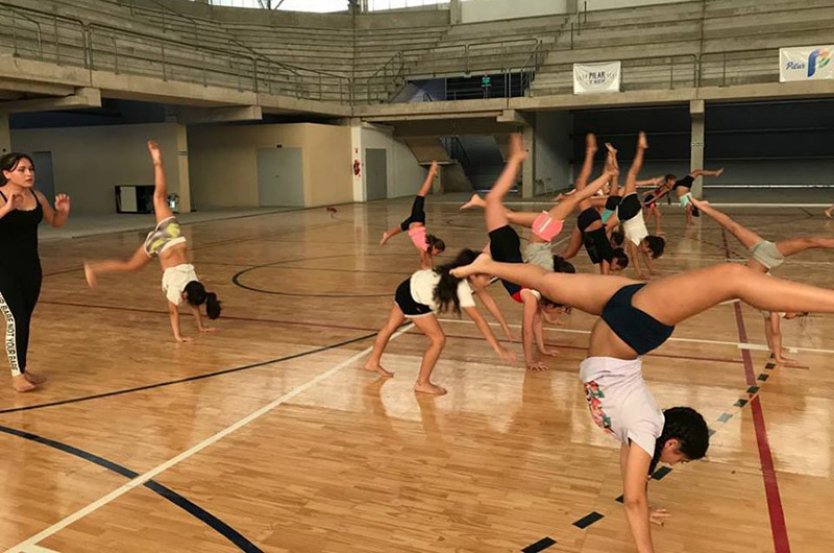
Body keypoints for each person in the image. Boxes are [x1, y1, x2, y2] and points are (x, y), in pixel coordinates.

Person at [451, 253, 834, 553]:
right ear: (671, 443)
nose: (676, 465)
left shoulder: (640, 432)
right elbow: (632, 497)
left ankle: (488, 265)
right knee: (732, 278)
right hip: (629, 327)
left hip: (626, 312)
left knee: (550, 282)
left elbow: (633, 489)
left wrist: (645, 512)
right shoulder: (645, 428)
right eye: (680, 460)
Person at [463, 133, 581, 370]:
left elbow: (536, 323)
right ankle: (515, 159)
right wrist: (529, 360)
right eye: (555, 311)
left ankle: (508, 167)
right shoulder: (531, 296)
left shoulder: (536, 295)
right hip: (505, 247)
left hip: (503, 250)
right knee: (496, 198)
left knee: (497, 204)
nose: (552, 316)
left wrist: (543, 348)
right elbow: (526, 329)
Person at [84, 141, 221, 343]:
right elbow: (173, 312)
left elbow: (195, 300)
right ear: (185, 295)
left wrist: (200, 326)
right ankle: (93, 268)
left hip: (173, 234)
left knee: (159, 197)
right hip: (160, 245)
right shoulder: (177, 291)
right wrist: (178, 336)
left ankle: (158, 163)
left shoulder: (194, 282)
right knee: (129, 266)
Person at [690, 196, 833, 365]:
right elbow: (771, 331)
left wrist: (778, 357)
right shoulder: (770, 306)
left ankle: (704, 207)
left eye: (798, 313)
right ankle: (704, 207)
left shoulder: (774, 305)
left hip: (765, 257)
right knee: (733, 226)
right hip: (763, 256)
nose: (796, 310)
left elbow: (774, 331)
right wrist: (775, 349)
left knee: (809, 241)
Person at [363, 248, 515, 395]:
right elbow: (479, 320)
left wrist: (504, 325)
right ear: (473, 275)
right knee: (438, 340)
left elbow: (488, 300)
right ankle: (422, 383)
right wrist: (498, 348)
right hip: (414, 299)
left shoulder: (458, 272)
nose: (489, 282)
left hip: (406, 286)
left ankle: (372, 362)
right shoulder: (460, 287)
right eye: (487, 278)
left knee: (390, 326)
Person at [0, 152, 71, 392]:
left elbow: (55, 222)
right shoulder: (0, 197)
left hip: (31, 268)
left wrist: (63, 211)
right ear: (6, 173)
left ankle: (22, 367)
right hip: (3, 270)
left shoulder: (37, 196)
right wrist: (6, 209)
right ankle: (16, 375)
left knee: (24, 319)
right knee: (15, 319)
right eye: (22, 169)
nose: (29, 173)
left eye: (31, 168)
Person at [605, 132, 666, 279]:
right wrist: (639, 274)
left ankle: (639, 149)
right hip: (627, 212)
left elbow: (643, 257)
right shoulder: (636, 240)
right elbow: (635, 258)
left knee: (629, 174)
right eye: (650, 251)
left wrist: (652, 270)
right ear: (648, 245)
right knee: (604, 227)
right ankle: (616, 154)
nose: (648, 254)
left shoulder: (644, 236)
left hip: (634, 207)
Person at [380, 161, 445, 269]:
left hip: (414, 223)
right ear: (434, 247)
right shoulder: (425, 247)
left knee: (401, 227)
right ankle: (431, 172)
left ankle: (387, 235)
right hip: (417, 220)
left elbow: (429, 259)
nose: (436, 255)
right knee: (421, 194)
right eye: (437, 252)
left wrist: (431, 267)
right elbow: (423, 258)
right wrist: (425, 267)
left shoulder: (428, 248)